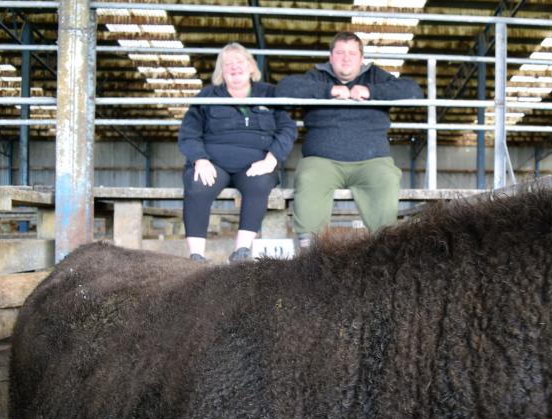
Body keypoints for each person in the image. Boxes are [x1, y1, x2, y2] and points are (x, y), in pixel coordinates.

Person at [275, 32, 423, 250]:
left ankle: (383, 248)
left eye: (352, 53)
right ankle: (310, 251)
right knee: (308, 178)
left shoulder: (374, 76)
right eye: (340, 52)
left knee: (387, 178)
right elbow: (284, 89)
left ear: (361, 58)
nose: (346, 58)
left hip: (372, 160)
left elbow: (413, 91)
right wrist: (329, 91)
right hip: (323, 160)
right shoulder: (318, 75)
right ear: (331, 57)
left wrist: (371, 91)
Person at [178, 42, 296, 263]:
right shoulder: (207, 95)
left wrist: (271, 160)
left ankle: (240, 252)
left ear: (251, 66)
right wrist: (200, 160)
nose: (234, 67)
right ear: (221, 71)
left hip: (255, 164)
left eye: (240, 62)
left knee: (260, 184)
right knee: (197, 185)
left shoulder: (269, 93)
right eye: (228, 63)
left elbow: (288, 129)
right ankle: (196, 256)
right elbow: (189, 132)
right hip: (214, 164)